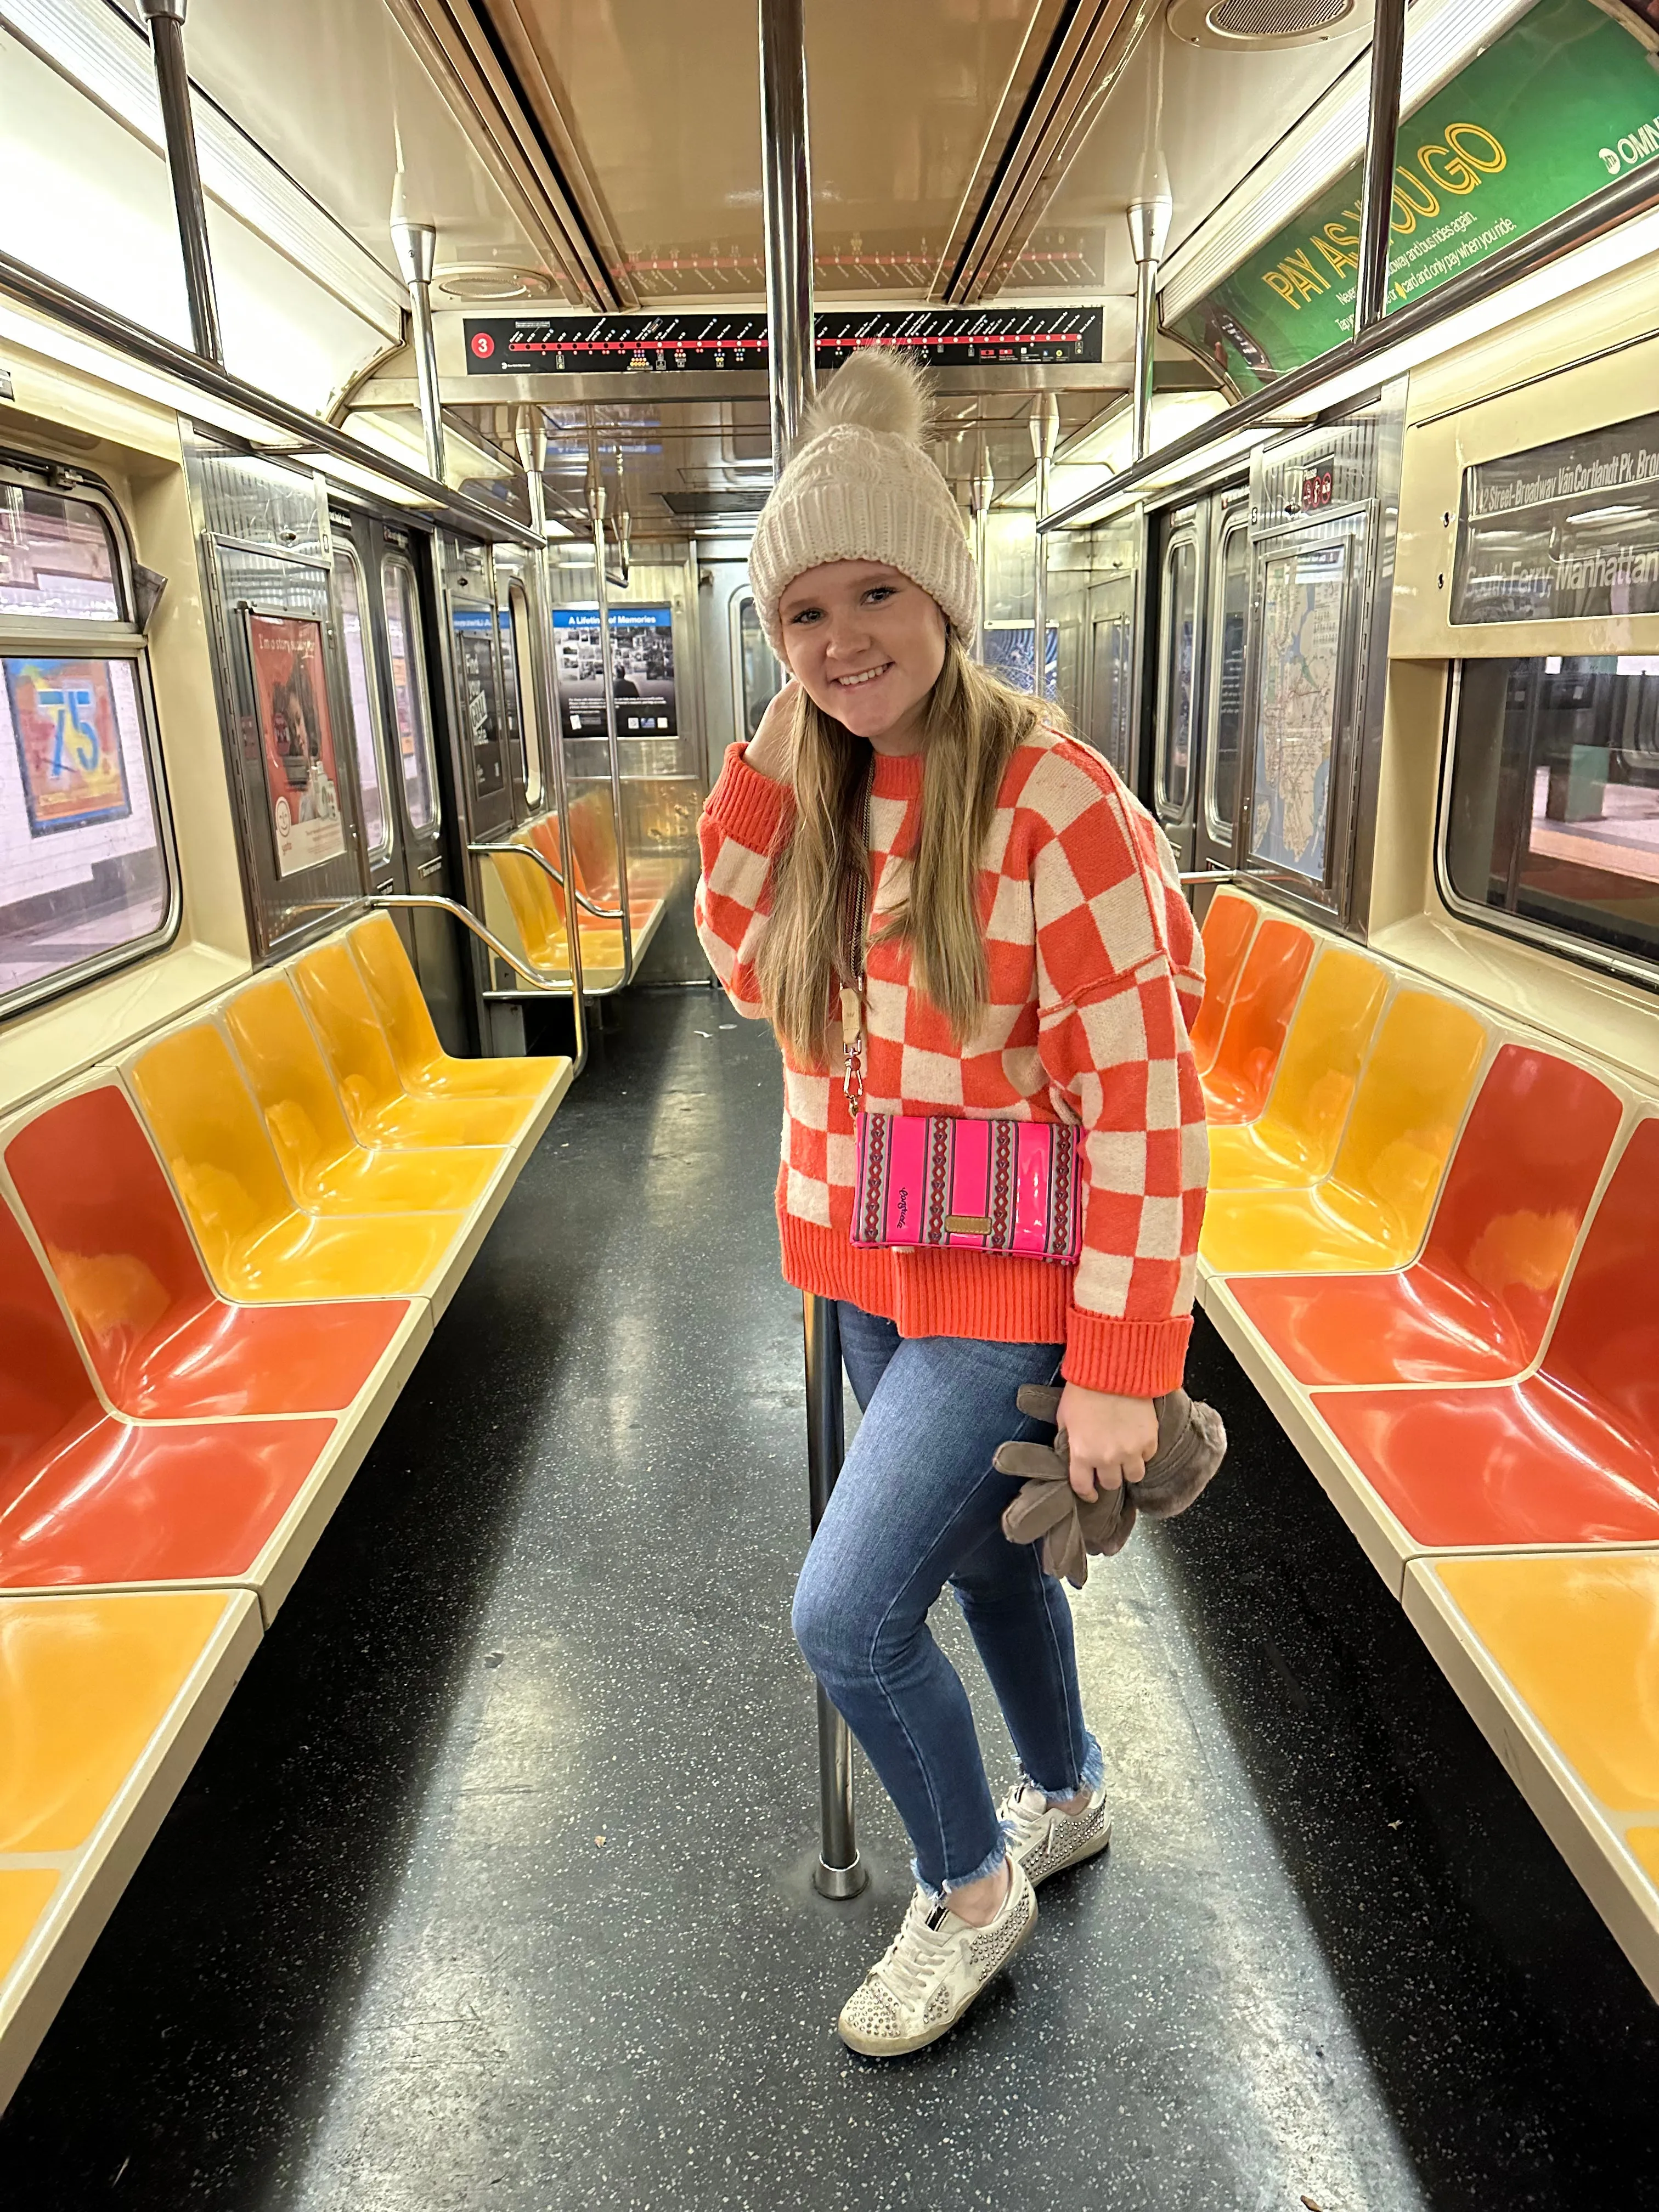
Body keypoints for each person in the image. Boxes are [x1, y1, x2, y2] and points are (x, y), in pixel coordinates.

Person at [695, 348, 1207, 2059]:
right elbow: (728, 952)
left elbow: (1141, 1096)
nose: (844, 641)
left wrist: (1128, 1355)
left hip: (1003, 1278)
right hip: (861, 1262)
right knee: (986, 1570)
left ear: (946, 593)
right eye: (802, 616)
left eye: (876, 594)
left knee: (845, 1614)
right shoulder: (824, 789)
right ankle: (1062, 1790)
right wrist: (776, 753)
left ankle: (970, 1893)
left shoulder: (1055, 799)